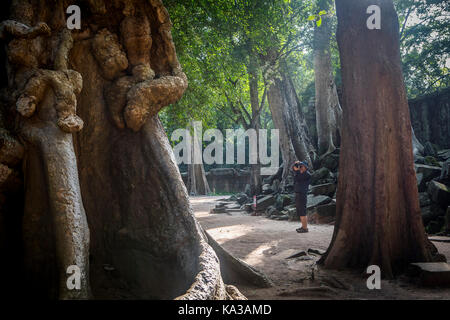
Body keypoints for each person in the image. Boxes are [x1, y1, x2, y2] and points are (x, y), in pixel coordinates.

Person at [292, 161, 311, 233]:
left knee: (302, 211)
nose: (300, 167)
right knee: (300, 211)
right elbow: (294, 172)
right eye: (300, 166)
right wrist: (295, 164)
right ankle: (303, 226)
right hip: (298, 194)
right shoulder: (300, 173)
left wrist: (297, 171)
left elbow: (299, 178)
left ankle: (305, 228)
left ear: (306, 167)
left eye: (302, 166)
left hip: (302, 194)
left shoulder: (307, 174)